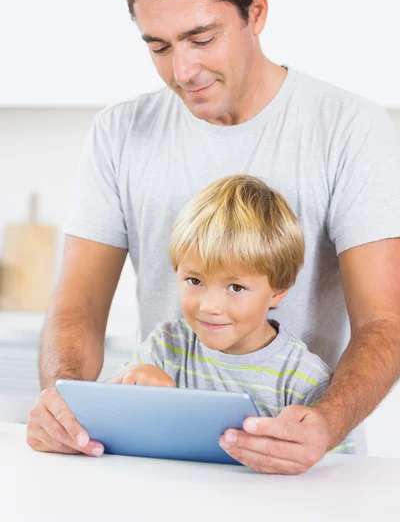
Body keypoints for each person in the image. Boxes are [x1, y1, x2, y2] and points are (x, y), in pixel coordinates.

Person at [27, 0, 400, 473]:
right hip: (157, 464)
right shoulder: (119, 132)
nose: (183, 71)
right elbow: (77, 309)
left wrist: (324, 422)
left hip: (303, 473)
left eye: (202, 39)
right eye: (159, 46)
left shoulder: (351, 129)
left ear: (256, 12)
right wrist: (67, 405)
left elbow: (384, 323)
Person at [108, 175, 356, 470]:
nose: (210, 307)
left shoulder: (303, 379)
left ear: (278, 290)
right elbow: (108, 424)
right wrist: (133, 388)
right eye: (194, 280)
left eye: (235, 287)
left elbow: (337, 473)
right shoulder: (163, 349)